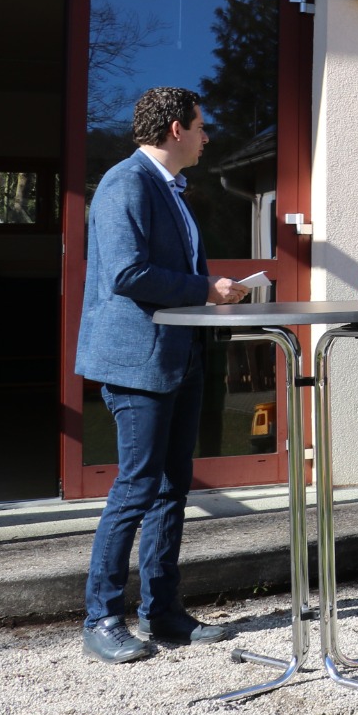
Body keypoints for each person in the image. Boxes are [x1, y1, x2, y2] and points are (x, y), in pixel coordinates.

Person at [75, 86, 246, 663]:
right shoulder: (126, 183)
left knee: (172, 487)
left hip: (179, 356)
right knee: (137, 487)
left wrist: (208, 293)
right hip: (138, 362)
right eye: (201, 126)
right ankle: (101, 618)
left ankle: (163, 612)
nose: (206, 137)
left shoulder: (168, 188)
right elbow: (127, 274)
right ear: (176, 129)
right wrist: (206, 289)